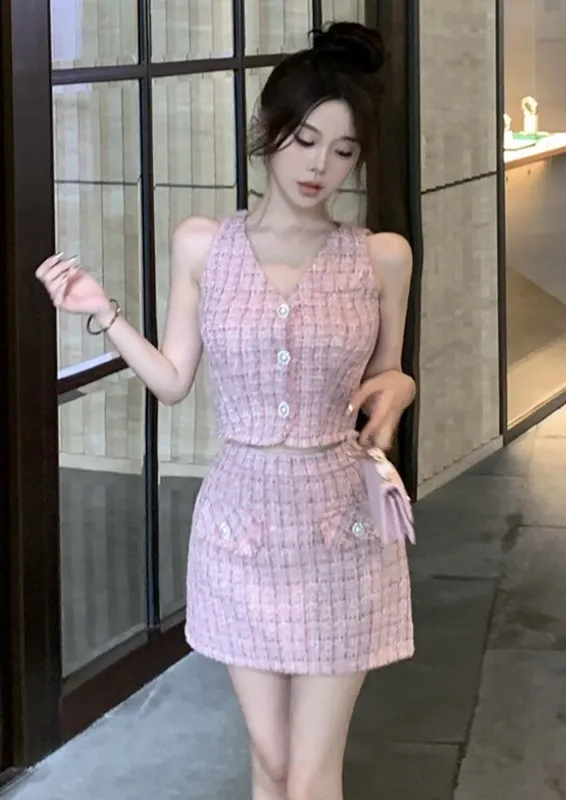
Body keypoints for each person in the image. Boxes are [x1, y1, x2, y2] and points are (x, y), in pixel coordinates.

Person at [36, 21, 415, 800]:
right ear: (268, 130)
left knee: (310, 775)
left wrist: (402, 387)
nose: (320, 165)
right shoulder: (204, 245)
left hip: (341, 528)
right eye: (305, 140)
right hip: (239, 529)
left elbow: (386, 378)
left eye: (343, 151)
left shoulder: (381, 256)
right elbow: (174, 380)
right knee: (270, 765)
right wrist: (102, 310)